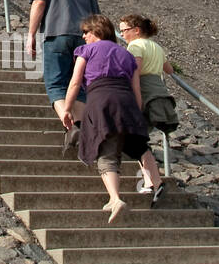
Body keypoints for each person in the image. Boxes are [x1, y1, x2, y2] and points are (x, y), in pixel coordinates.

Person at [61, 14, 159, 223]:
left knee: (106, 151)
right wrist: (137, 112)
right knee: (131, 146)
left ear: (96, 31)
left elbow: (75, 82)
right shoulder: (126, 55)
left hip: (101, 102)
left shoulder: (87, 51)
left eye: (86, 32)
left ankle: (115, 199)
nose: (84, 36)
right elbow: (136, 88)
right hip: (127, 104)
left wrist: (67, 108)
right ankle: (153, 184)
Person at [26, 0, 100, 155]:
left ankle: (72, 126)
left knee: (56, 84)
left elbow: (39, 3)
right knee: (80, 86)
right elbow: (97, 17)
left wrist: (31, 34)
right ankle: (80, 126)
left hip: (56, 35)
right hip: (84, 39)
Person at [120, 13, 177, 201]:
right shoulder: (156, 47)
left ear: (136, 30)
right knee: (139, 140)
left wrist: (135, 99)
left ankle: (152, 182)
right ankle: (152, 181)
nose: (122, 35)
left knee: (135, 140)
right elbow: (169, 70)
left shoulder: (135, 46)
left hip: (145, 94)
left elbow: (134, 72)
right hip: (160, 94)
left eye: (124, 31)